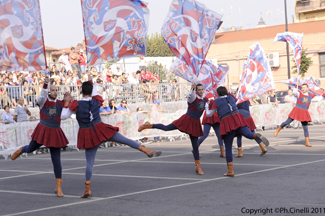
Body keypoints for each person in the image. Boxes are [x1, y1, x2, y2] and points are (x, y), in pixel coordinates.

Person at [61, 79, 161, 198]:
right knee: (125, 140)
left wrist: (66, 102)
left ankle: (88, 189)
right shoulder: (96, 100)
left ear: (81, 91)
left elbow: (63, 116)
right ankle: (147, 150)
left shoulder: (76, 104)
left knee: (89, 162)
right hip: (101, 128)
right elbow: (96, 92)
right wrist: (92, 84)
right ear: (91, 91)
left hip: (88, 133)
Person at [11, 76, 70, 197]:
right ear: (49, 91)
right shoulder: (43, 101)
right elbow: (42, 96)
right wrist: (45, 84)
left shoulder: (60, 102)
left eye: (56, 90)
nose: (55, 92)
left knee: (57, 161)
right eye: (52, 90)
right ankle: (22, 149)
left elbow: (64, 115)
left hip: (55, 132)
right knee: (31, 148)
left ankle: (58, 187)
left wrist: (68, 101)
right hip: (43, 130)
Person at [139, 83, 206, 175]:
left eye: (202, 89)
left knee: (195, 146)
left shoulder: (205, 100)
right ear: (196, 90)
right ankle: (149, 125)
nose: (201, 91)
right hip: (186, 120)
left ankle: (198, 167)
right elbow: (190, 96)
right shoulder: (193, 96)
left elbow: (209, 112)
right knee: (167, 128)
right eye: (199, 90)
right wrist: (192, 88)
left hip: (195, 123)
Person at [205, 86, 269, 177]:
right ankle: (255, 136)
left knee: (228, 147)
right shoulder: (231, 97)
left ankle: (230, 171)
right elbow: (234, 100)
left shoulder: (216, 101)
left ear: (218, 93)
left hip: (227, 120)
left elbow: (209, 114)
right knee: (248, 134)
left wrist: (207, 106)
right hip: (237, 117)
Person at [274, 76, 321, 147]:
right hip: (297, 110)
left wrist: (323, 94)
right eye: (302, 87)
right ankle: (278, 129)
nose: (303, 88)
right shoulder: (299, 93)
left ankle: (307, 142)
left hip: (304, 112)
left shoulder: (311, 96)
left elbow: (318, 98)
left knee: (305, 127)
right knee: (287, 122)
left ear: (307, 88)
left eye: (304, 87)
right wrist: (296, 84)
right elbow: (295, 92)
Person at [197, 93, 225, 158]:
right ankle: (222, 152)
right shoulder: (215, 96)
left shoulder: (205, 97)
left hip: (208, 116)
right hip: (214, 116)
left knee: (205, 135)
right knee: (219, 135)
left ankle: (195, 148)